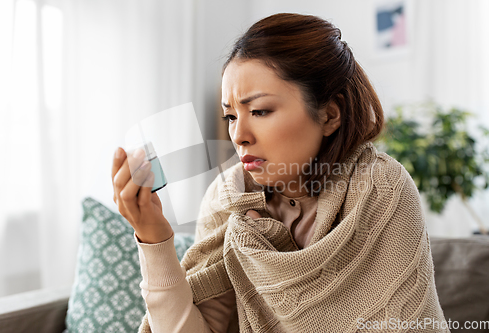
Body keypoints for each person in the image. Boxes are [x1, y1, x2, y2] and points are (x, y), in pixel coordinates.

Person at [111, 13, 449, 333]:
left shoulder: (379, 187)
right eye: (230, 116)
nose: (239, 135)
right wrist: (153, 237)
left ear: (330, 115)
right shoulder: (226, 198)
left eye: (259, 110)